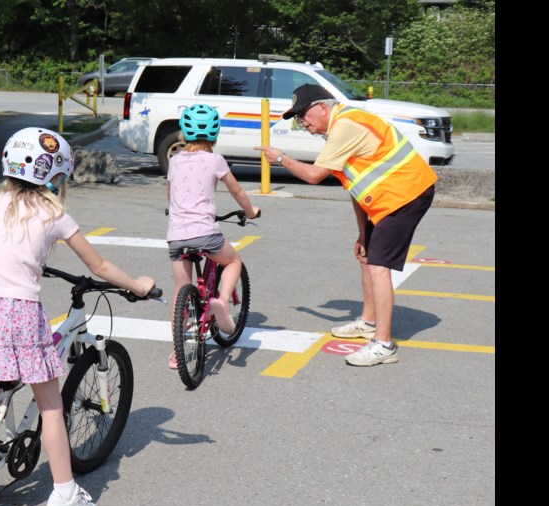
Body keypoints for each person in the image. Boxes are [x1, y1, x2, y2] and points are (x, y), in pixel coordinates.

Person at [0, 127, 156, 506]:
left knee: (6, 380)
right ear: (54, 175)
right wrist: (139, 286)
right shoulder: (53, 212)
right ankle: (65, 496)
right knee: (52, 405)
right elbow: (97, 266)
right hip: (18, 310)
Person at [255, 83, 437, 367]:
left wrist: (281, 158)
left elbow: (314, 175)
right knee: (367, 257)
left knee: (379, 267)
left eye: (303, 115)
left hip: (406, 193)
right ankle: (368, 321)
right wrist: (363, 233)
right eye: (298, 118)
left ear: (322, 107)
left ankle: (384, 344)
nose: (302, 123)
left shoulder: (346, 126)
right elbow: (355, 184)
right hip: (385, 196)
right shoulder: (340, 126)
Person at [167, 104, 261, 369]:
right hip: (205, 233)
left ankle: (177, 351)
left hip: (176, 234)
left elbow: (171, 193)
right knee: (232, 262)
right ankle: (221, 299)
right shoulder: (216, 160)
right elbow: (238, 191)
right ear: (215, 133)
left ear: (183, 134)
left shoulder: (174, 161)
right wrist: (250, 210)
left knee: (180, 291)